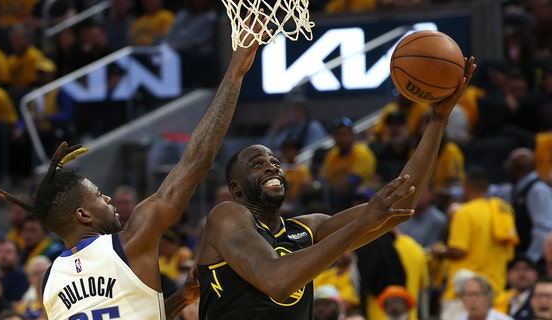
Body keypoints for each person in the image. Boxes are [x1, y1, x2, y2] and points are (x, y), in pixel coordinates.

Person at [0, 12, 271, 320]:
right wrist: (236, 71)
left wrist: (181, 298)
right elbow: (197, 159)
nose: (107, 198)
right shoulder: (132, 239)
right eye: (98, 195)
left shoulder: (50, 279)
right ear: (83, 214)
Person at [196, 57, 477, 319]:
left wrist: (438, 119)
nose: (272, 167)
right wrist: (359, 226)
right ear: (236, 188)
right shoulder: (226, 217)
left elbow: (403, 203)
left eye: (275, 161)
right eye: (257, 164)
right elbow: (276, 280)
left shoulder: (307, 229)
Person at [431, 168, 519, 319]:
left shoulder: (464, 212)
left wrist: (439, 252)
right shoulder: (503, 210)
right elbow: (509, 253)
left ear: (466, 187)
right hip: (494, 289)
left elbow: (459, 250)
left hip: (464, 293)